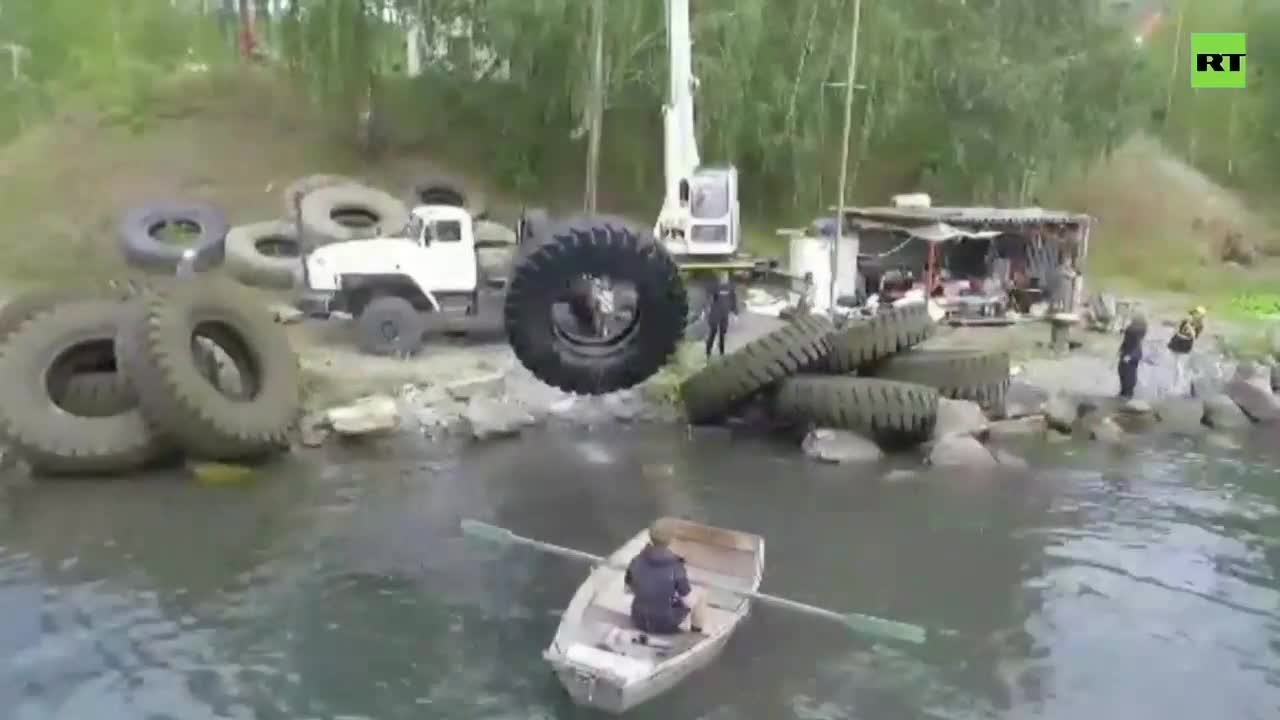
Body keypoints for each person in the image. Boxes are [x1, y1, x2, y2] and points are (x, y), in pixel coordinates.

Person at [624, 518, 709, 635]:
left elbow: (628, 589)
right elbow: (687, 600)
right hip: (665, 624)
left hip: (638, 619)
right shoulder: (675, 566)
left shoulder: (636, 560)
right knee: (701, 594)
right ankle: (695, 634)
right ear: (671, 540)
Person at [1168, 306, 1207, 391]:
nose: (1195, 315)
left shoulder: (1200, 325)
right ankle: (1175, 384)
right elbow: (1177, 328)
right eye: (1195, 313)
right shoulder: (1186, 320)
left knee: (1179, 367)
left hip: (1185, 346)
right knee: (1175, 365)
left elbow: (1194, 336)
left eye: (1198, 314)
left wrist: (1189, 328)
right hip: (1176, 343)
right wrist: (1179, 333)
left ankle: (1179, 385)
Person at [705, 271, 737, 358]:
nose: (724, 279)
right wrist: (705, 310)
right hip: (715, 313)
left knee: (723, 333)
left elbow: (733, 300)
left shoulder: (731, 287)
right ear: (719, 279)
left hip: (725, 314)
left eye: (725, 277)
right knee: (713, 332)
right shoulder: (715, 287)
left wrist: (735, 313)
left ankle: (721, 353)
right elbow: (708, 297)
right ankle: (708, 353)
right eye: (722, 277)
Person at [1117, 314, 1147, 399]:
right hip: (1129, 352)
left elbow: (1135, 343)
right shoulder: (1134, 328)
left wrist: (1129, 355)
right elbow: (1127, 339)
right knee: (1124, 371)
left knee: (1128, 372)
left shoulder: (1136, 329)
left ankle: (1127, 392)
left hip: (1131, 353)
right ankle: (1125, 391)